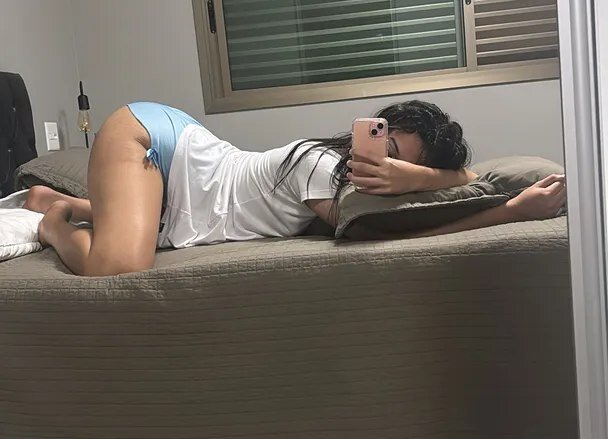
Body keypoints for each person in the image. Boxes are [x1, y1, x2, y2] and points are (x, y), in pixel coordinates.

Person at [25, 100, 566, 277]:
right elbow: (385, 236)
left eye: (402, 164)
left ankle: (67, 202)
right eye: (388, 146)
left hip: (182, 188)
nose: (384, 163)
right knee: (120, 268)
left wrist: (425, 178)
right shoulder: (319, 165)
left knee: (147, 226)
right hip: (148, 136)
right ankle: (54, 224)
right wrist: (512, 211)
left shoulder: (359, 186)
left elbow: (444, 196)